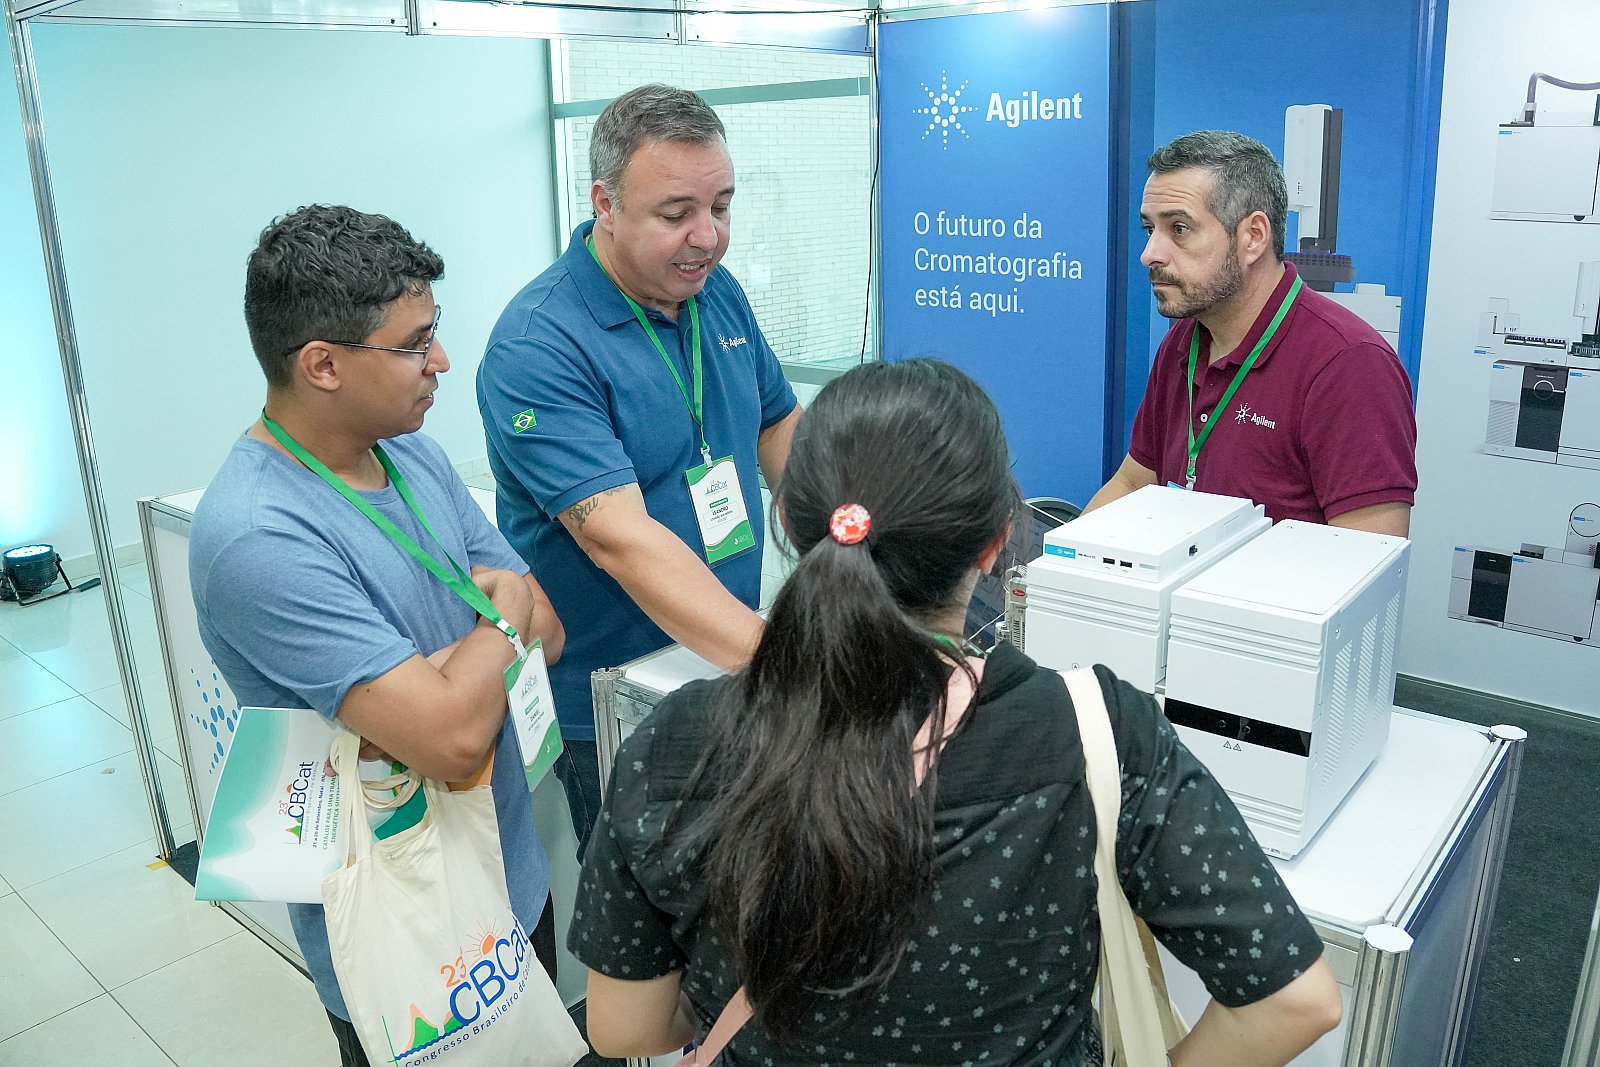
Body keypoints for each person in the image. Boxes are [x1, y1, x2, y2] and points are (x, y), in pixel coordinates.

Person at [568, 358, 1343, 1066]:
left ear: (796, 526)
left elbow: (623, 1028)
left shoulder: (673, 745)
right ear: (995, 544)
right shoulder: (1093, 731)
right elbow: (1295, 1001)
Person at [190, 204, 565, 1066]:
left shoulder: (410, 453)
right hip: (404, 935)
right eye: (415, 344)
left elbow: (550, 632)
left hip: (509, 881)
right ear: (322, 363)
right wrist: (500, 614)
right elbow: (453, 736)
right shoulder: (257, 532)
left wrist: (474, 654)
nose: (442, 361)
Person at [478, 84, 801, 851]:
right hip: (614, 698)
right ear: (606, 204)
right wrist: (784, 663)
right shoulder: (540, 343)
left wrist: (849, 552)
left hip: (724, 659)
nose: (707, 237)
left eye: (721, 206)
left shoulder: (714, 293)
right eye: (676, 213)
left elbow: (779, 425)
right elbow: (618, 537)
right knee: (651, 895)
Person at [1088, 130, 1417, 535]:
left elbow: (1371, 557)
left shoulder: (1349, 364)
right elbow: (1134, 481)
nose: (1149, 254)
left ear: (1254, 237)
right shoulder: (1184, 340)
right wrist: (1056, 565)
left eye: (1179, 228)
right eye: (1149, 229)